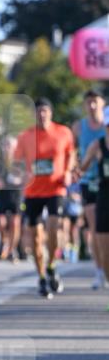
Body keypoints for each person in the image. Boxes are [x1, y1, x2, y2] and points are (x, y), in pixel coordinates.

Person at [13, 97, 75, 299]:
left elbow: (71, 154)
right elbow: (16, 162)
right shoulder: (26, 136)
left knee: (54, 228)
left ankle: (51, 265)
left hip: (56, 188)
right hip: (33, 192)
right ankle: (41, 276)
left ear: (51, 113)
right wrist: (20, 173)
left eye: (45, 111)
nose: (42, 115)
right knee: (36, 238)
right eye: (38, 111)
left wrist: (68, 171)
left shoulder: (63, 132)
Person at [73, 89, 106, 289]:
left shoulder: (107, 125)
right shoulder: (78, 127)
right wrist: (74, 168)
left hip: (107, 181)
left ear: (102, 103)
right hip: (88, 182)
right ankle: (99, 270)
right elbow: (70, 151)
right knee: (95, 229)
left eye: (95, 101)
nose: (92, 106)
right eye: (88, 102)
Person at [78, 106, 109, 304]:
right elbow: (83, 167)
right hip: (104, 195)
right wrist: (80, 168)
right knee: (105, 247)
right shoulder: (98, 145)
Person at [0, 134, 23, 262]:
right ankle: (5, 242)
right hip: (1, 194)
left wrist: (18, 179)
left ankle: (12, 249)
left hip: (15, 194)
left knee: (15, 223)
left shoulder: (19, 161)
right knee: (1, 223)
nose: (6, 148)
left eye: (9, 145)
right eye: (5, 145)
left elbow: (26, 176)